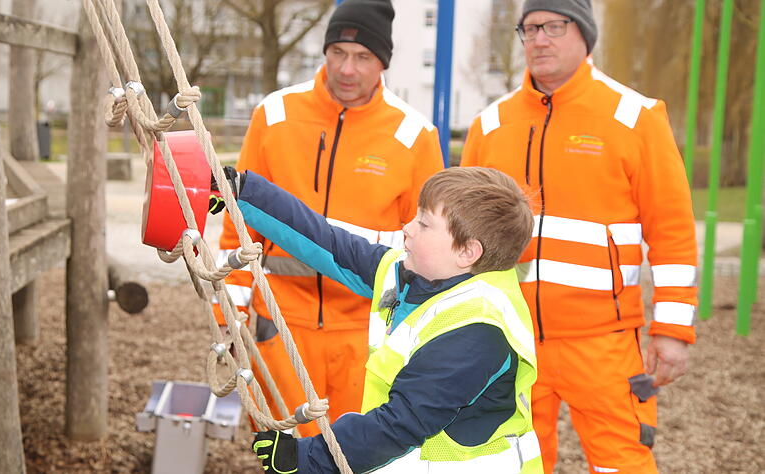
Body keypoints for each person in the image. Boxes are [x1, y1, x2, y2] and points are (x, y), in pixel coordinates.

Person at [460, 1, 698, 472]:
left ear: (585, 34)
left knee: (621, 463)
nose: (539, 39)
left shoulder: (635, 117)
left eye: (554, 26)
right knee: (512, 464)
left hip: (604, 342)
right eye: (529, 29)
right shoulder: (490, 125)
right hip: (509, 339)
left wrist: (672, 330)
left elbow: (671, 229)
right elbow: (461, 232)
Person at [210, 165, 541, 472]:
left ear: (467, 252)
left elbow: (400, 423)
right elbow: (328, 242)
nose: (407, 228)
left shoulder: (476, 330)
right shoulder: (411, 275)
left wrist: (307, 457)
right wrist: (245, 192)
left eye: (424, 224)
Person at [213, 0, 443, 437]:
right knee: (286, 454)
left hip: (366, 333)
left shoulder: (415, 136)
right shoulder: (275, 116)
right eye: (338, 52)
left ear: (383, 63)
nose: (347, 69)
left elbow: (430, 247)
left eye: (363, 57)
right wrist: (229, 315)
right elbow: (237, 229)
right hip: (280, 325)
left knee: (361, 455)